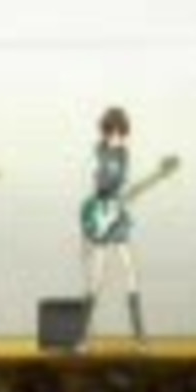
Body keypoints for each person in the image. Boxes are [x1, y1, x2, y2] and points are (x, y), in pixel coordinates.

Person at [81, 107, 147, 352]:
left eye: (121, 133)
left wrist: (127, 194)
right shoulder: (100, 152)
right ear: (108, 131)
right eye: (114, 132)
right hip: (102, 214)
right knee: (97, 278)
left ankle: (139, 337)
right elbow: (99, 185)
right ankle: (82, 338)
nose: (119, 137)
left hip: (117, 214)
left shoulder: (123, 154)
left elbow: (121, 184)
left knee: (130, 272)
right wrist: (93, 223)